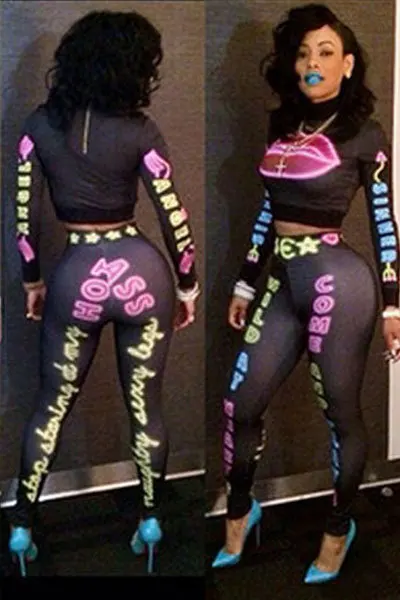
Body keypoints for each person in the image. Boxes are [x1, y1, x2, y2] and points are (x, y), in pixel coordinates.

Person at [212, 3, 400, 584]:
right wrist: (245, 280)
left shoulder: (364, 133)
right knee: (239, 405)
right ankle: (241, 509)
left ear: (348, 64)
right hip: (281, 280)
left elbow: (383, 220)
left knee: (340, 413)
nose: (312, 63)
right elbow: (269, 210)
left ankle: (339, 527)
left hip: (338, 283)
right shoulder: (283, 126)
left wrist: (394, 304)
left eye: (325, 52)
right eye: (302, 53)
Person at [8, 10, 200, 577]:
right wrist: (187, 285)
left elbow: (24, 219)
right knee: (146, 406)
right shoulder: (141, 130)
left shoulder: (38, 128)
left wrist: (33, 281)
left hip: (77, 277)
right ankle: (150, 521)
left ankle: (21, 526)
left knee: (51, 404)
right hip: (144, 274)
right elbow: (173, 214)